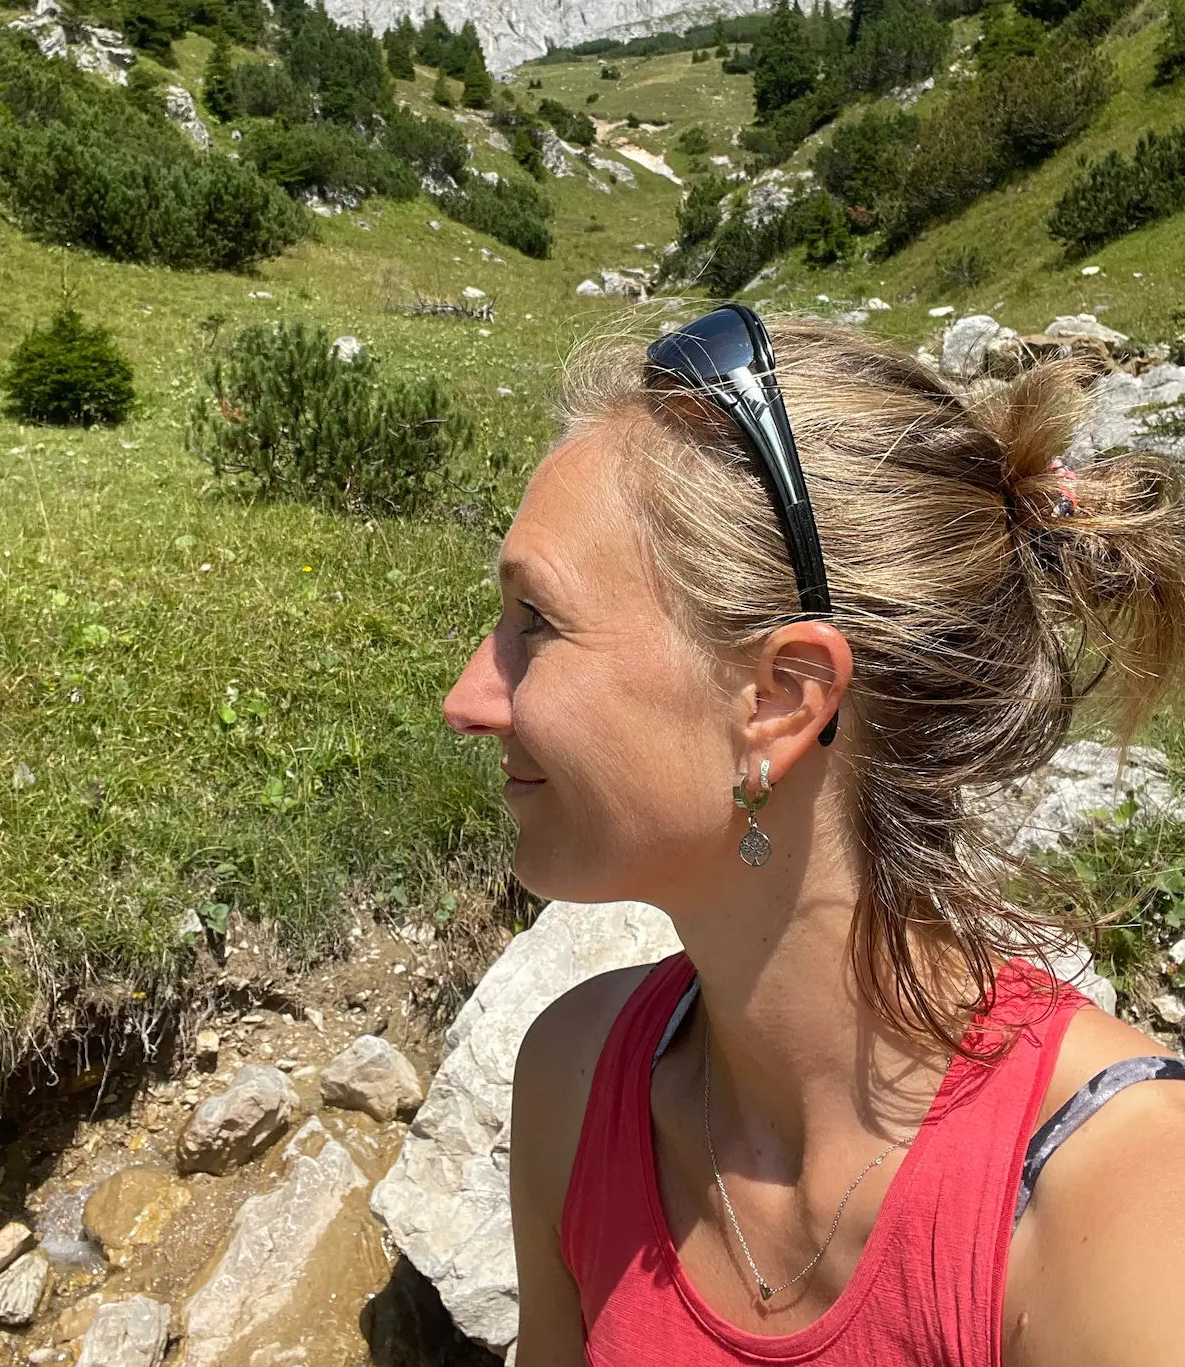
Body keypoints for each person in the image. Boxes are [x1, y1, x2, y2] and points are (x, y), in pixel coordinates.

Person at [443, 306, 1185, 1367]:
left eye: (537, 624)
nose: (468, 697)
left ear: (781, 703)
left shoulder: (1116, 1213)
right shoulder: (572, 1072)